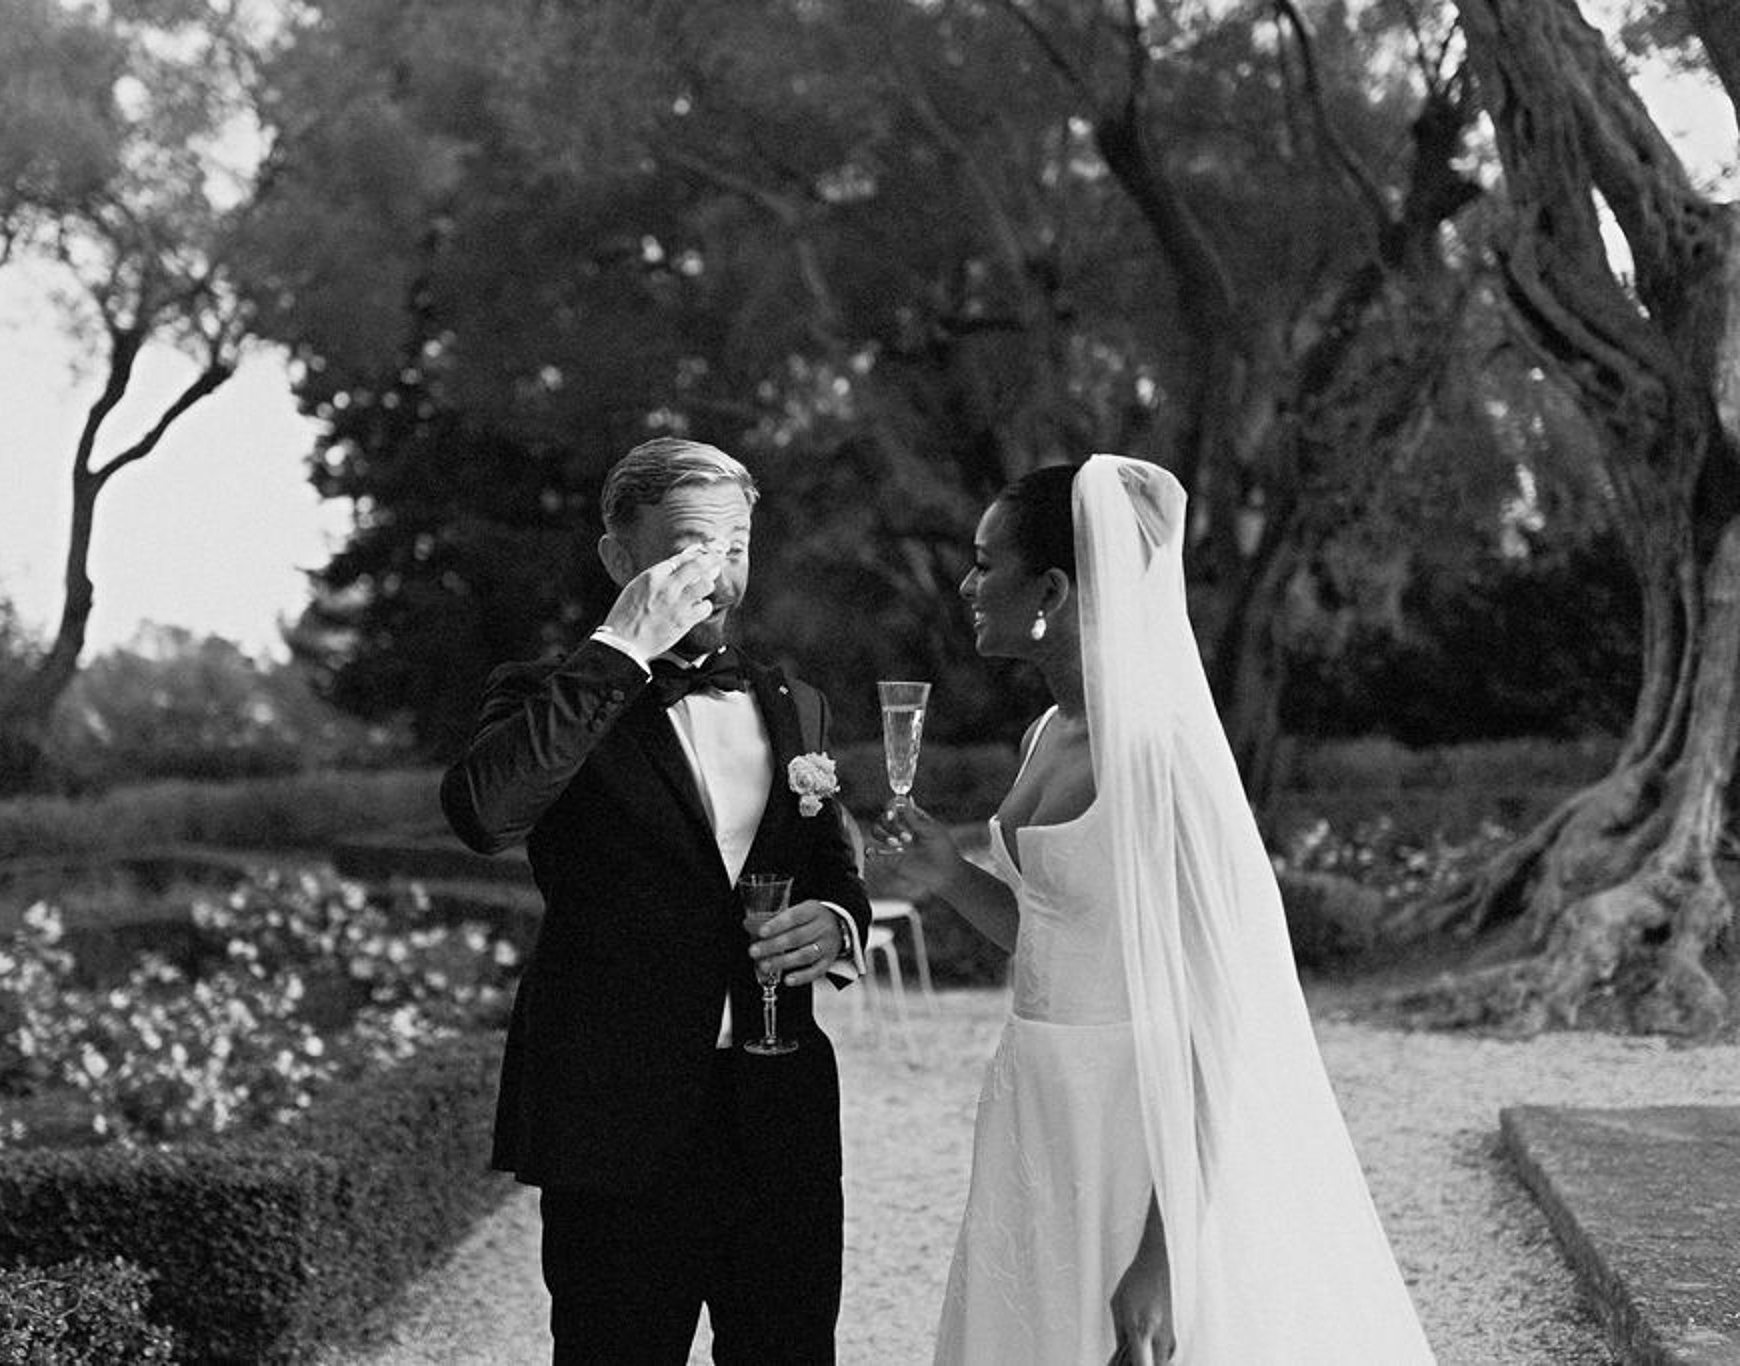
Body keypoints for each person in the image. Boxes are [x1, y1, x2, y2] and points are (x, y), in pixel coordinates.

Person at [876, 455, 1435, 1364]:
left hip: (1133, 1122)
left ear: (1052, 586)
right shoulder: (1046, 733)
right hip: (1034, 1100)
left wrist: (1163, 1262)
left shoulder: (1160, 760)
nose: (971, 585)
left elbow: (1221, 1014)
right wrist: (945, 869)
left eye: (987, 563)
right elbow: (1050, 936)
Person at [441, 436, 872, 1365]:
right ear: (619, 558)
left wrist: (836, 926)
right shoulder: (542, 697)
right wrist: (620, 651)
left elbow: (835, 864)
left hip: (780, 1113)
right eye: (690, 548)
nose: (717, 578)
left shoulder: (795, 702)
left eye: (737, 548)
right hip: (616, 1119)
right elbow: (485, 813)